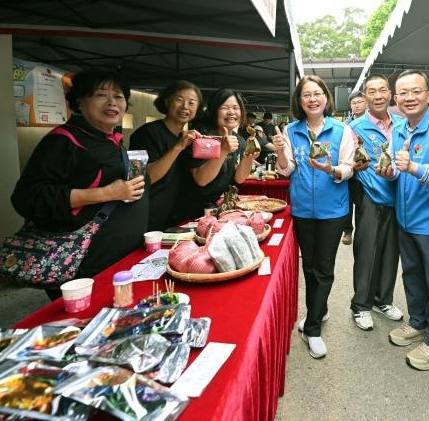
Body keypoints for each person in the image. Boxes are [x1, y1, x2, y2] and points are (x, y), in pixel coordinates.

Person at [11, 70, 148, 300]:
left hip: (118, 261)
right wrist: (105, 193)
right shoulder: (63, 141)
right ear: (79, 101)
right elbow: (27, 197)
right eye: (101, 94)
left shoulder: (109, 140)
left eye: (119, 96)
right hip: (83, 266)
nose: (112, 102)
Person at [273, 75, 355, 359]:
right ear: (299, 100)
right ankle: (318, 310)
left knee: (324, 268)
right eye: (306, 94)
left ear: (326, 97)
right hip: (303, 210)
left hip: (333, 210)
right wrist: (280, 151)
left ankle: (313, 329)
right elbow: (286, 169)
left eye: (317, 93)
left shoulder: (341, 130)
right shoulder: (291, 130)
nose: (312, 99)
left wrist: (332, 170)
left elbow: (349, 167)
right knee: (308, 266)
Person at [378, 69, 429, 370]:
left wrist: (413, 168)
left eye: (416, 91)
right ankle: (417, 322)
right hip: (405, 219)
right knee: (412, 277)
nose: (409, 97)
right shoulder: (400, 129)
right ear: (396, 99)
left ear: (428, 96)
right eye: (403, 93)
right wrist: (391, 172)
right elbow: (398, 168)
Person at [347, 74, 403, 331]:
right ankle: (361, 305)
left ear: (390, 93)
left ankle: (383, 300)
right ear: (365, 96)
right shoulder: (355, 128)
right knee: (367, 253)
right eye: (372, 91)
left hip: (399, 198)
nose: (378, 96)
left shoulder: (402, 124)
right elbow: (347, 161)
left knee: (391, 254)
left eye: (382, 90)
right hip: (371, 197)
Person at [174, 88, 259, 221]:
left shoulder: (239, 140)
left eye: (235, 108)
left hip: (214, 210)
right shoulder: (201, 136)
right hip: (188, 212)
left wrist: (249, 156)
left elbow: (239, 179)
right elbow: (201, 179)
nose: (231, 112)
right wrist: (223, 150)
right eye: (225, 107)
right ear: (214, 110)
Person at [129, 80, 201, 230]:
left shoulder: (188, 138)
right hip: (147, 217)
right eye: (179, 99)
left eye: (191, 103)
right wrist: (178, 147)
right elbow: (141, 178)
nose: (185, 106)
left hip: (174, 218)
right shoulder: (144, 133)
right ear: (167, 101)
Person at [341, 90, 368, 246]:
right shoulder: (345, 125)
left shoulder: (371, 123)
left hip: (365, 169)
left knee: (361, 202)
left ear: (366, 103)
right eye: (353, 103)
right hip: (348, 167)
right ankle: (347, 230)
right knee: (347, 200)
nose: (357, 105)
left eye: (359, 102)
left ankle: (361, 231)